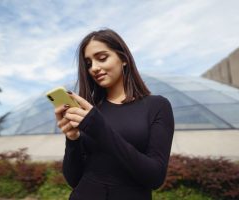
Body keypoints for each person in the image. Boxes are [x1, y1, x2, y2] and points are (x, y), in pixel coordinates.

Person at [54, 29, 174, 200]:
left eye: (102, 58)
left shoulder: (157, 106)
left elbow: (154, 178)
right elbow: (74, 180)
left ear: (123, 59)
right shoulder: (90, 111)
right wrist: (72, 139)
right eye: (88, 63)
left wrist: (99, 127)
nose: (94, 68)